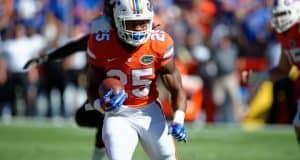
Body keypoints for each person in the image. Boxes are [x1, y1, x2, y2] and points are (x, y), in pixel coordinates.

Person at [86, 0, 187, 159]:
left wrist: (179, 120)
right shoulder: (101, 43)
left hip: (149, 111)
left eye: (143, 23)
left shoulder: (159, 44)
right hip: (118, 115)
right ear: (118, 21)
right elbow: (91, 86)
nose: (139, 29)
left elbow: (177, 89)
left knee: (167, 156)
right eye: (133, 24)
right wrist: (101, 106)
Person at [23, 1, 114, 160]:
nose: (105, 10)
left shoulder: (133, 29)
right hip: (103, 86)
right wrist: (47, 57)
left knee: (105, 120)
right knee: (85, 118)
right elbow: (77, 45)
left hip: (122, 88)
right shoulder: (102, 27)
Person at [244, 0, 300, 147]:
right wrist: (258, 77)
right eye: (277, 14)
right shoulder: (285, 35)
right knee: (298, 125)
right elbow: (283, 69)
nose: (280, 18)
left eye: (283, 14)